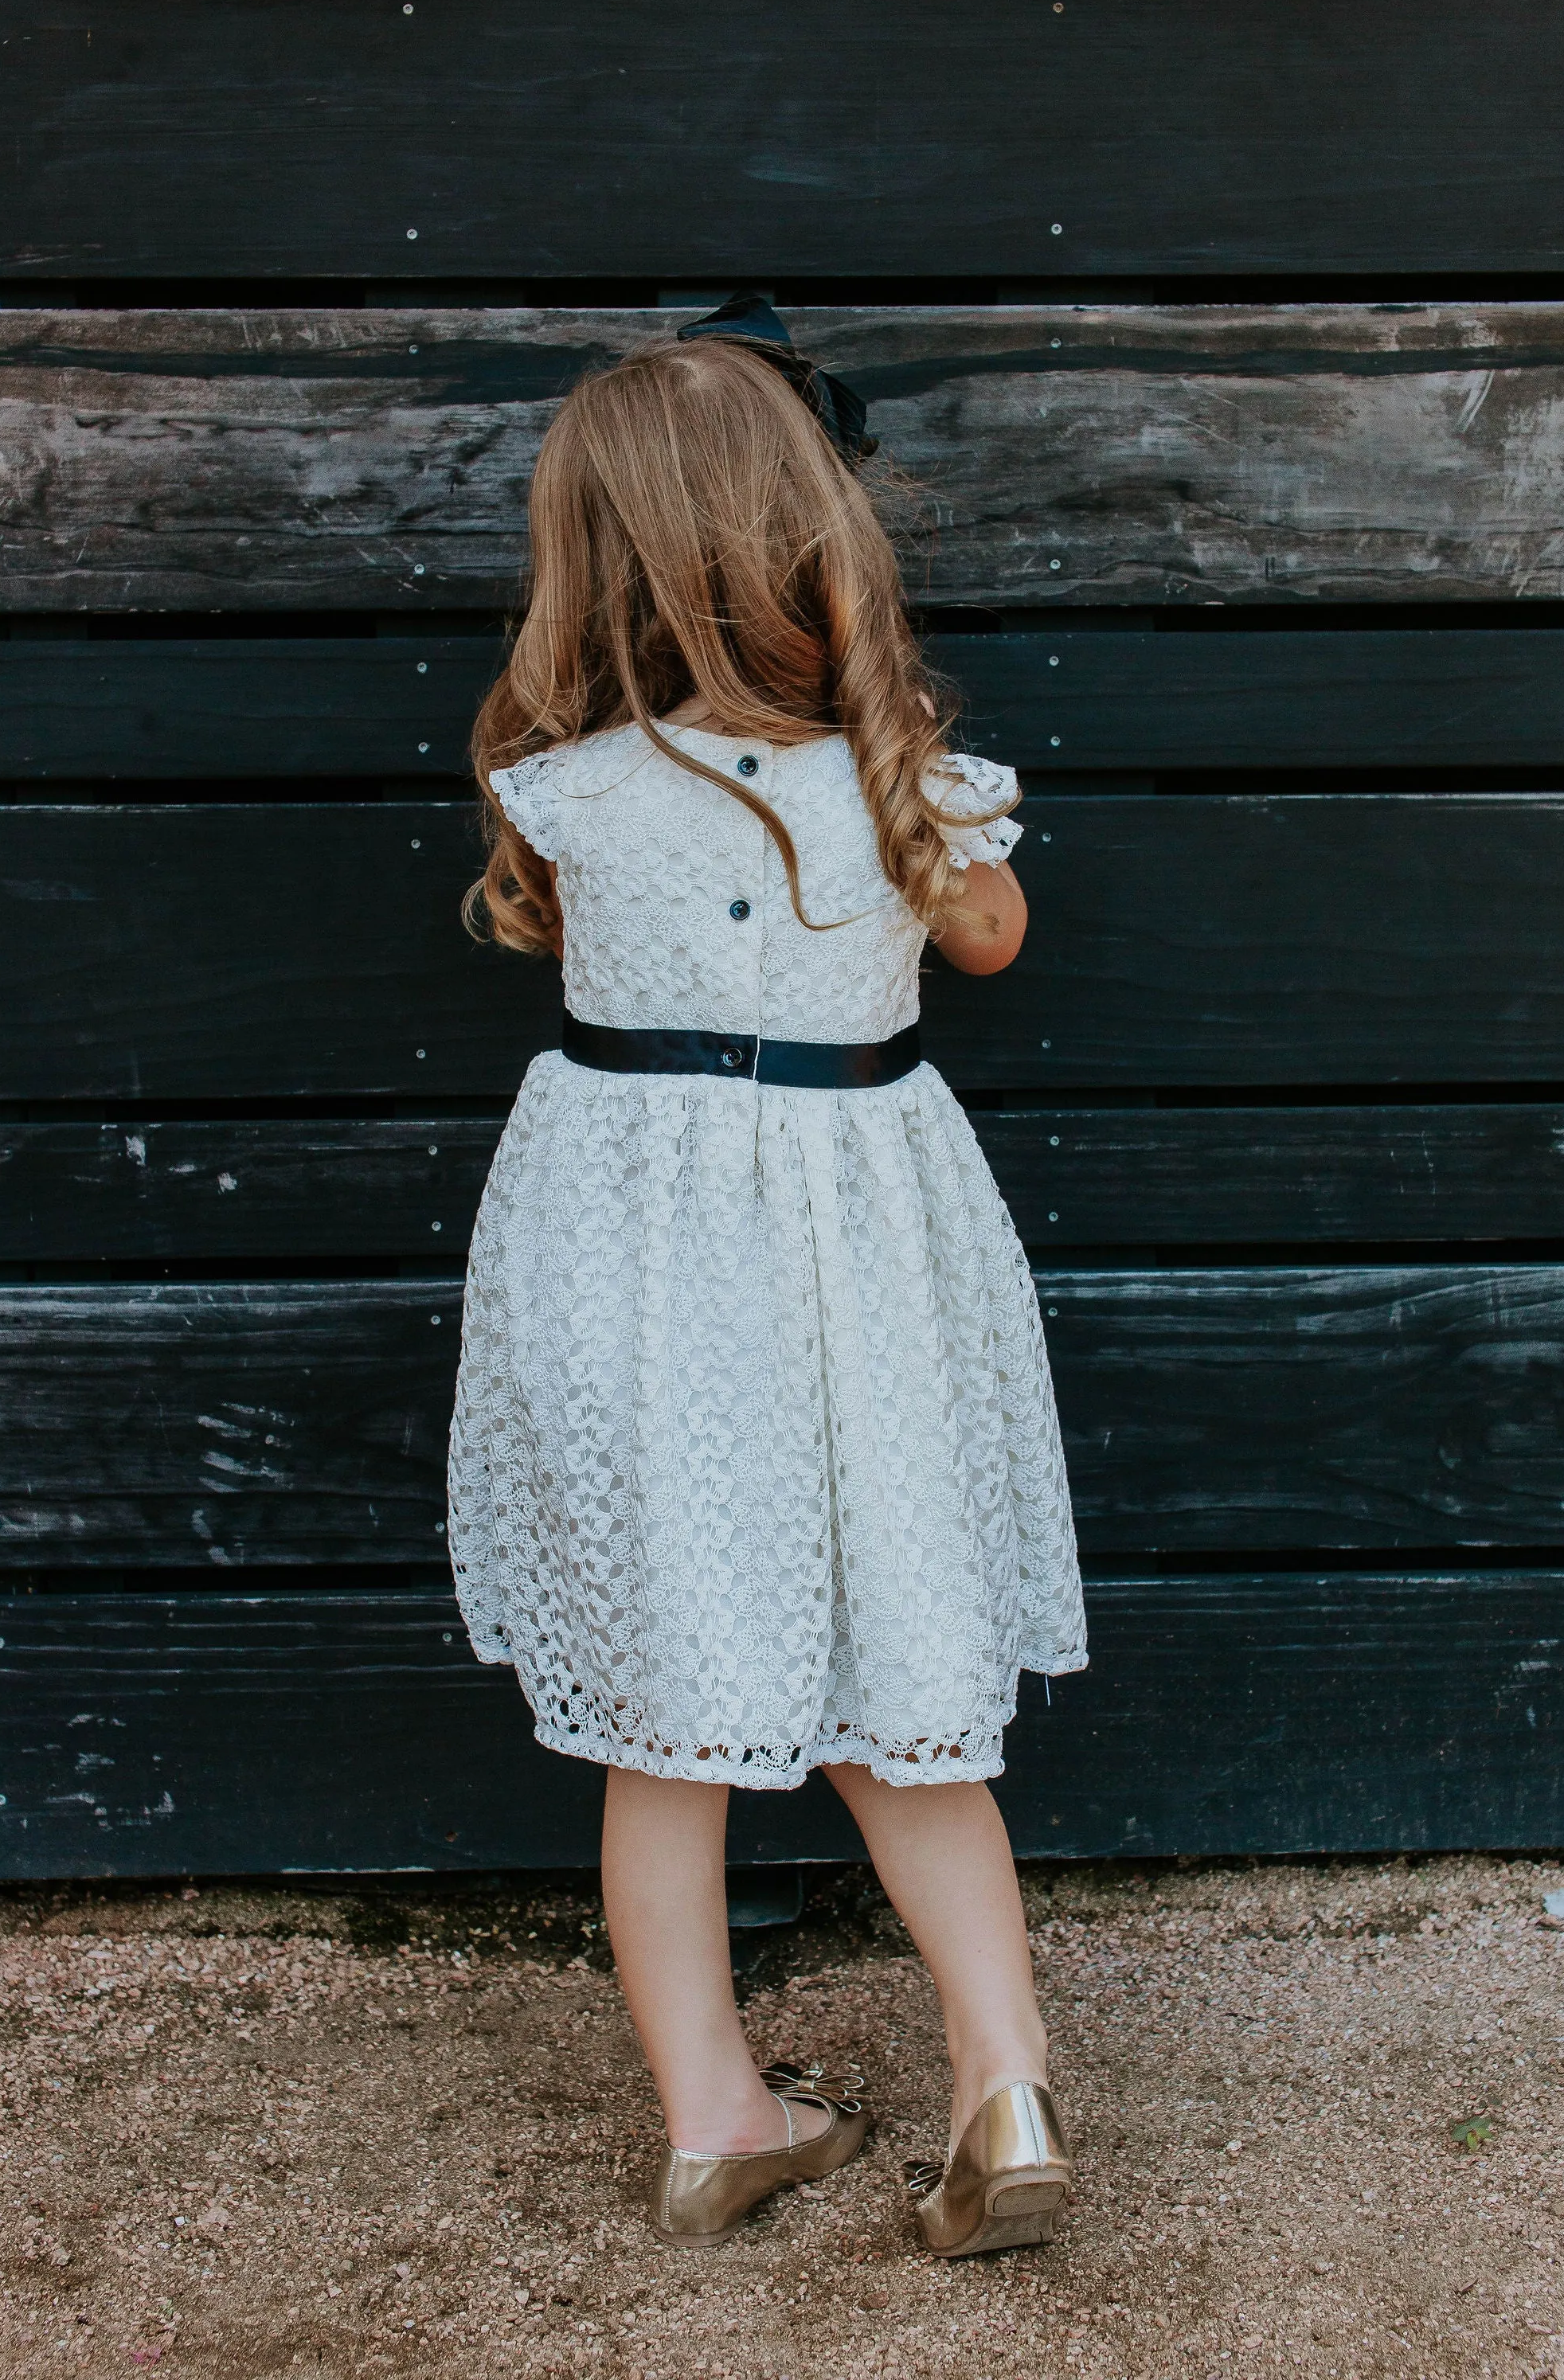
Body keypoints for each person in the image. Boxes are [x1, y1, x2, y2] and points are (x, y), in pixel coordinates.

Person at [447, 299, 1087, 2257]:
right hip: (863, 1275)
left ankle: (716, 2115)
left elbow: (559, 927)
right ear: (817, 530)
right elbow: (992, 945)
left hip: (635, 1278)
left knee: (667, 1718)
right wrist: (890, 783)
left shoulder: (559, 796)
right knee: (909, 1703)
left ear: (601, 556)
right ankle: (1004, 2085)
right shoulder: (910, 794)